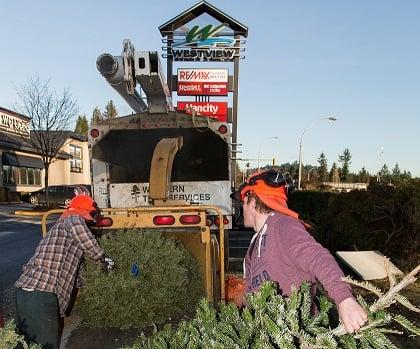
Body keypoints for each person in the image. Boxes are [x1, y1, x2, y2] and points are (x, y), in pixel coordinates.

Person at [231, 170, 367, 333]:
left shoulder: (283, 226)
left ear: (253, 202)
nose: (242, 209)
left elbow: (319, 258)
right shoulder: (254, 244)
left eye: (243, 202)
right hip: (268, 335)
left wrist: (344, 299)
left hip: (298, 334)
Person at [14, 194, 114, 349]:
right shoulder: (73, 220)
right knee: (45, 344)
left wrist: (91, 284)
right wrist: (103, 258)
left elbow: (76, 270)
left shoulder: (62, 230)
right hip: (41, 293)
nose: (88, 221)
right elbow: (87, 241)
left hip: (27, 292)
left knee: (26, 342)